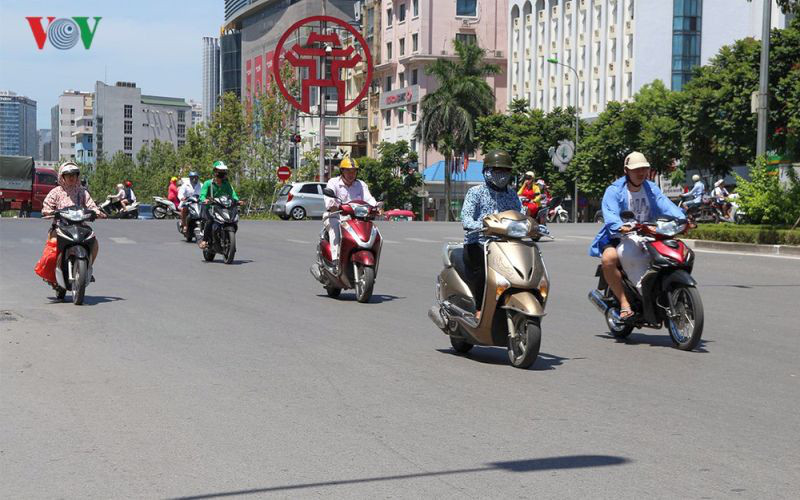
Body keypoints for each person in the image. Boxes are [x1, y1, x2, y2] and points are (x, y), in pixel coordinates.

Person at [589, 151, 684, 319]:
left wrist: (683, 219)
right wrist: (620, 226)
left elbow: (667, 205)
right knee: (609, 259)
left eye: (644, 169)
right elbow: (610, 215)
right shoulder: (614, 190)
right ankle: (625, 303)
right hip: (617, 236)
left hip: (647, 233)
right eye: (636, 169)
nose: (641, 173)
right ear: (627, 170)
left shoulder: (651, 188)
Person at [461, 150, 522, 320]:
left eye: (505, 171)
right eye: (497, 171)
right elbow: (466, 217)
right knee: (482, 271)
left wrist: (534, 226)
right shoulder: (475, 192)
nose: (501, 175)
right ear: (486, 171)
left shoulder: (511, 194)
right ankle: (480, 308)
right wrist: (478, 225)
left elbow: (521, 214)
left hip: (506, 244)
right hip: (479, 243)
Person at [40, 162, 106, 289]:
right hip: (60, 227)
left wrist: (97, 212)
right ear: (62, 177)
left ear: (77, 176)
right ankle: (52, 274)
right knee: (52, 247)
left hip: (80, 226)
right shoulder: (56, 192)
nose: (71, 177)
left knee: (95, 243)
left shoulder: (82, 192)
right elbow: (46, 206)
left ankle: (87, 269)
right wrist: (49, 211)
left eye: (74, 175)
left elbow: (91, 205)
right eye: (68, 175)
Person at [322, 156, 377, 272]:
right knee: (335, 229)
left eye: (354, 171)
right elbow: (328, 199)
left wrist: (376, 206)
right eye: (348, 171)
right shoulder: (333, 182)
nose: (351, 174)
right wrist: (332, 205)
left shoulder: (361, 185)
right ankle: (335, 261)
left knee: (372, 230)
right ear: (342, 171)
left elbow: (369, 199)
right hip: (336, 216)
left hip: (356, 218)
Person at [198, 161, 239, 249]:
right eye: (221, 171)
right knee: (210, 221)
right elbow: (202, 195)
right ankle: (204, 240)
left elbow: (233, 194)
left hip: (223, 207)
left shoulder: (226, 184)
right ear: (215, 171)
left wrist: (237, 200)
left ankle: (227, 238)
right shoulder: (208, 183)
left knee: (233, 222)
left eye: (224, 171)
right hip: (210, 208)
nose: (223, 173)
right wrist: (204, 200)